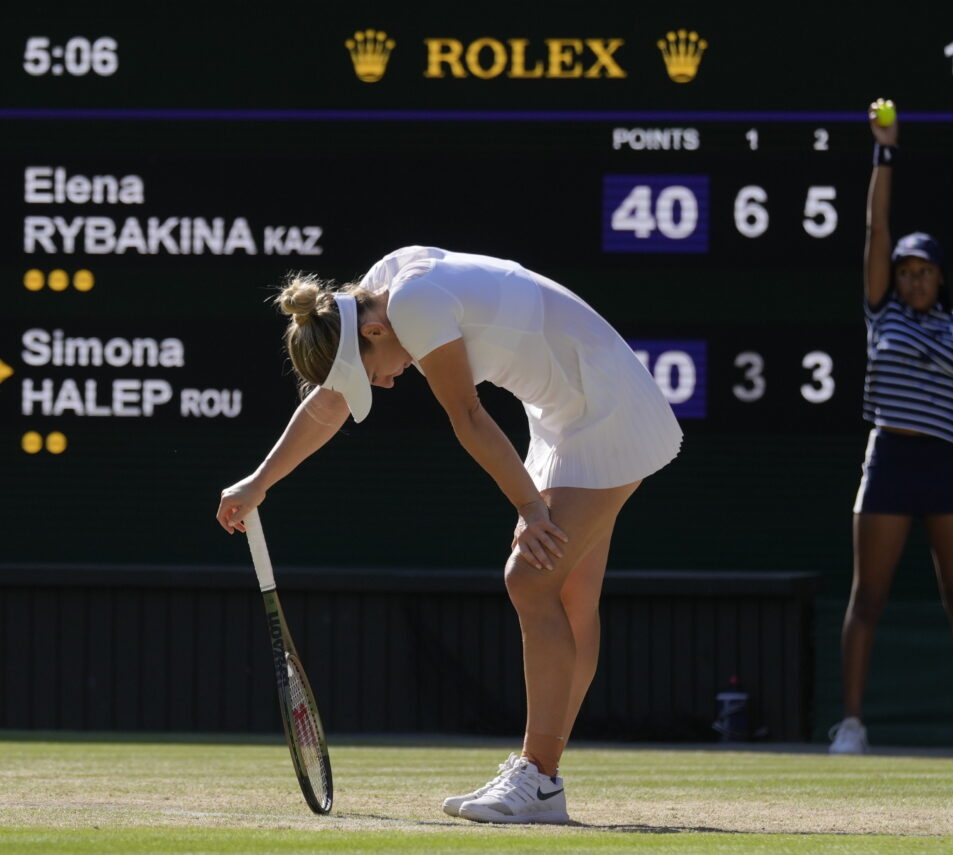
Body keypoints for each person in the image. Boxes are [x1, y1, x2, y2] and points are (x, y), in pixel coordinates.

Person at [215, 246, 681, 822]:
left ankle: (539, 779)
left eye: (371, 373)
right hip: (566, 412)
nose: (382, 387)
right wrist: (260, 482)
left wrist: (531, 509)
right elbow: (330, 404)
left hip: (606, 406)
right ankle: (543, 776)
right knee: (567, 597)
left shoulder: (411, 302)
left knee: (530, 581)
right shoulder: (378, 293)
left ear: (377, 329)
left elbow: (468, 414)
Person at [828, 104, 953, 760]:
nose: (912, 278)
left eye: (922, 270)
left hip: (948, 467)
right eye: (904, 271)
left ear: (940, 276)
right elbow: (877, 229)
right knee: (867, 594)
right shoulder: (883, 316)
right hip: (889, 460)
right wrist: (885, 152)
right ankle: (851, 722)